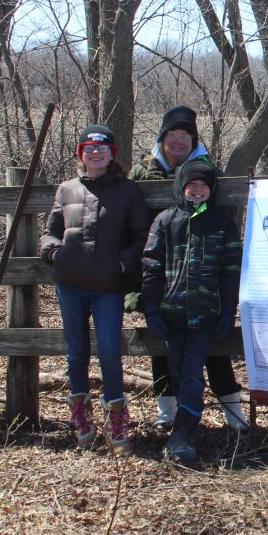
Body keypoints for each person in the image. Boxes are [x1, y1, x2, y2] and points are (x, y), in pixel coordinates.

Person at [129, 105, 247, 431]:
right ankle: (169, 413)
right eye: (172, 134)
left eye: (186, 136)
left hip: (205, 279)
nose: (178, 141)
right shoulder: (142, 171)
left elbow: (227, 216)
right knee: (162, 349)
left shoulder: (209, 171)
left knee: (215, 351)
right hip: (159, 274)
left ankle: (231, 413)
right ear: (162, 138)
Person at [40, 125, 150, 454]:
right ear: (81, 153)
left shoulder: (127, 191)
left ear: (112, 154)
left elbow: (142, 236)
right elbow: (49, 233)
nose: (96, 153)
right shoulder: (67, 189)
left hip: (108, 286)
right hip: (70, 284)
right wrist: (55, 253)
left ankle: (117, 423)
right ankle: (82, 421)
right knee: (75, 352)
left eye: (102, 149)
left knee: (108, 351)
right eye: (89, 148)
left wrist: (121, 263)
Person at [142, 159, 242, 463]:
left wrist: (227, 311)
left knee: (192, 374)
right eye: (191, 184)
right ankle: (180, 429)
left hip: (205, 315)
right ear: (181, 187)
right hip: (171, 313)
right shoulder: (165, 221)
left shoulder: (222, 222)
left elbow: (231, 271)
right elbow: (151, 266)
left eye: (203, 185)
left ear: (211, 190)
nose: (197, 190)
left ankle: (183, 435)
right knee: (176, 371)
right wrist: (151, 310)